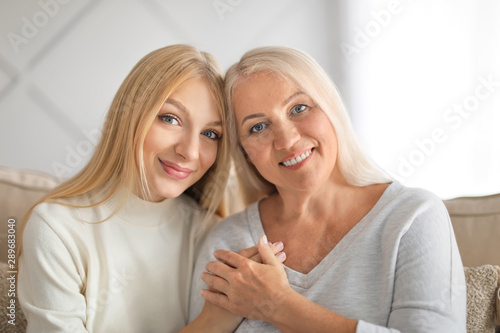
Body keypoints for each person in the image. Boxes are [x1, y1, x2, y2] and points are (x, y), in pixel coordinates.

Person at [189, 46, 467, 332]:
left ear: (331, 109)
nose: (287, 140)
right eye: (258, 127)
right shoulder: (227, 242)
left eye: (298, 108)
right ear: (243, 151)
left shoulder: (413, 217)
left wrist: (279, 305)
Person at [17, 44, 285, 333]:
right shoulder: (56, 229)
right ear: (129, 117)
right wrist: (213, 322)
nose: (190, 151)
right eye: (170, 119)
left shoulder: (211, 233)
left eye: (210, 134)